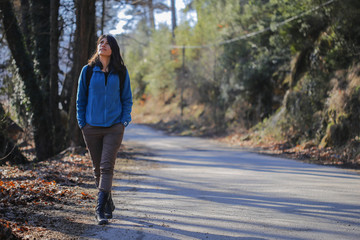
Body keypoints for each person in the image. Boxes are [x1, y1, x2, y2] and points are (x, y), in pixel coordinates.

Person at [76, 34, 133, 225]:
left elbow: (127, 99)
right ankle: (108, 202)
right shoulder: (88, 71)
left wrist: (124, 121)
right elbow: (80, 99)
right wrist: (82, 122)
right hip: (91, 127)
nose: (103, 45)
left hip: (114, 127)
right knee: (97, 169)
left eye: (108, 43)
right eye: (101, 42)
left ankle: (99, 210)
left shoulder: (121, 72)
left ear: (113, 49)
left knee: (107, 166)